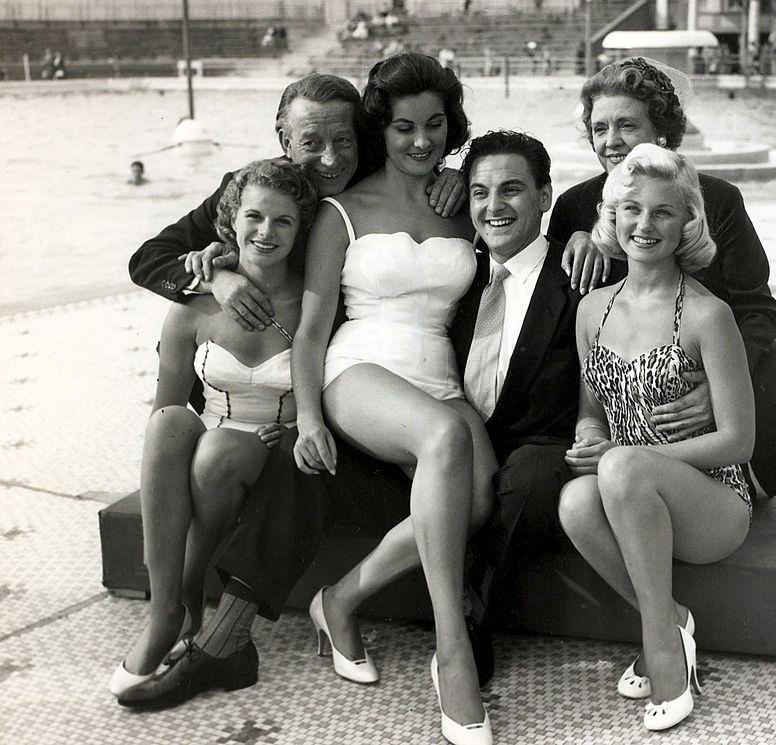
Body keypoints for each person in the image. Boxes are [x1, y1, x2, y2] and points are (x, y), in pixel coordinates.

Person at [119, 72, 465, 710]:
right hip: (267, 386)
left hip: (355, 387)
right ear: (283, 137)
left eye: (344, 139)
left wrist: (455, 169)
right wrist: (215, 280)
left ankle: (229, 623)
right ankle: (183, 610)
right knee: (199, 438)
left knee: (309, 458)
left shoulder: (375, 193)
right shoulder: (250, 192)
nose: (329, 157)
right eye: (311, 142)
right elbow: (148, 258)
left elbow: (422, 146)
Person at [291, 53, 493, 745]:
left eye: (435, 125)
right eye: (404, 126)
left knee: (480, 499)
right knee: (444, 439)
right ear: (383, 128)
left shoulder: (463, 203)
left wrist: (467, 182)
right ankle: (452, 651)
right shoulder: (340, 211)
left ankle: (340, 598)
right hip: (360, 369)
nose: (420, 141)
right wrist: (309, 415)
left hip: (437, 373)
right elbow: (314, 329)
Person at [547, 56, 776, 498]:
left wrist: (717, 389)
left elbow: (756, 307)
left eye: (626, 125)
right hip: (619, 383)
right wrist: (581, 239)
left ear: (660, 131)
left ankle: (740, 487)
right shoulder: (574, 207)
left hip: (699, 361)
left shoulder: (717, 199)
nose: (611, 141)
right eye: (600, 128)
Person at [559, 144, 753, 733]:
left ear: (687, 222)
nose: (645, 225)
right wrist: (591, 434)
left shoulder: (707, 315)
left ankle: (662, 651)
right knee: (573, 501)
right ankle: (671, 618)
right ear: (611, 218)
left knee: (619, 469)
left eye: (663, 212)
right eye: (631, 210)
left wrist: (630, 458)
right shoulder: (592, 309)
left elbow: (739, 441)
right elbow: (592, 405)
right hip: (631, 494)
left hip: (712, 503)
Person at [112, 160, 317, 701]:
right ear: (230, 222)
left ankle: (185, 594)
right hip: (211, 440)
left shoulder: (315, 307)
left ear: (301, 230)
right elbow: (168, 411)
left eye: (283, 222)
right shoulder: (191, 310)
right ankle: (166, 613)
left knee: (219, 450)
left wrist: (297, 425)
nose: (266, 232)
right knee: (168, 424)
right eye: (254, 217)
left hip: (274, 448)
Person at [448, 130, 586, 662]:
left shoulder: (579, 273)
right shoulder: (456, 274)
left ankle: (469, 628)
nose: (493, 206)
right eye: (480, 192)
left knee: (529, 480)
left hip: (541, 445)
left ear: (545, 196)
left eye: (512, 189)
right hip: (463, 437)